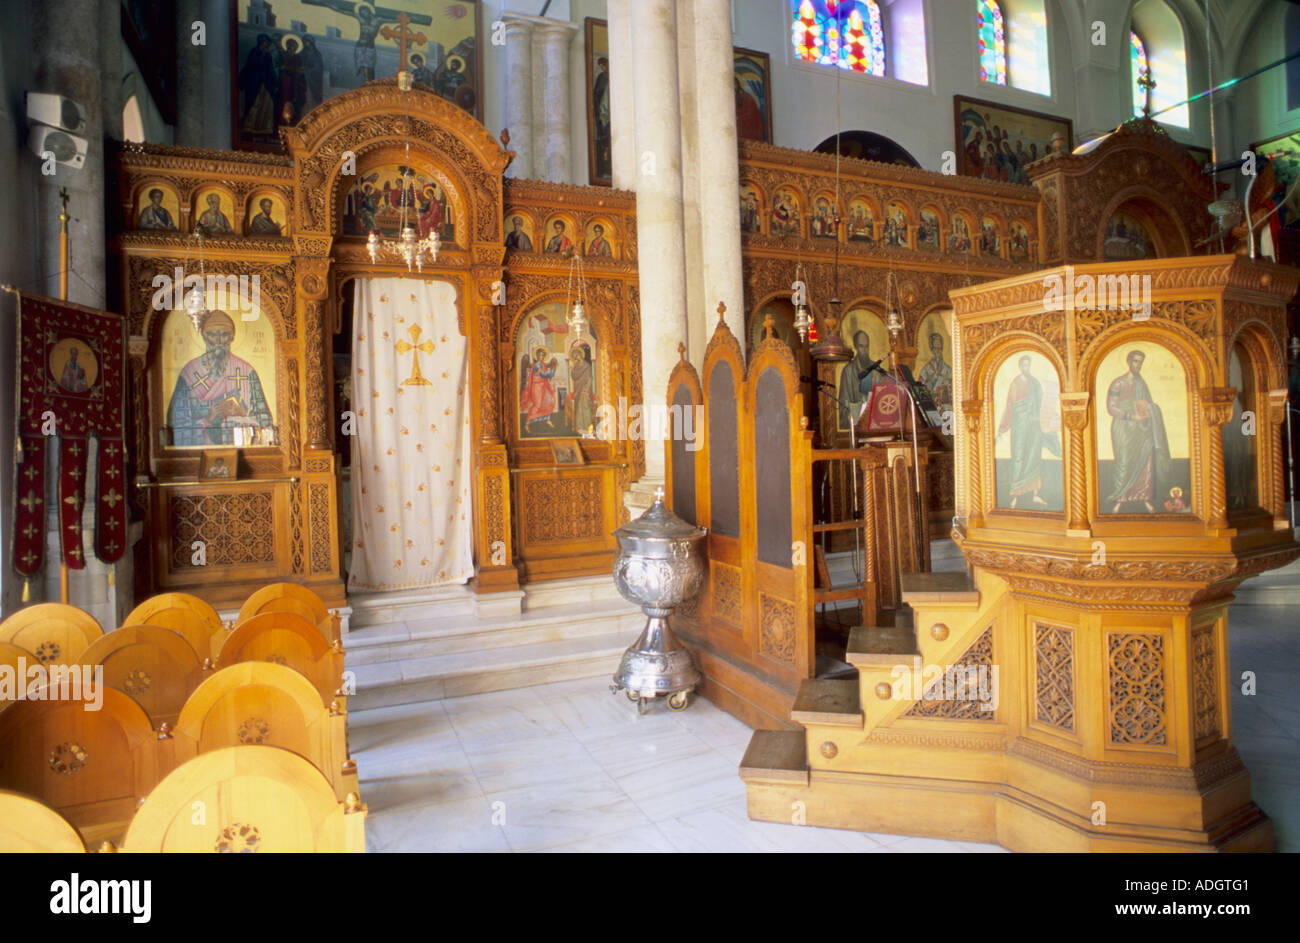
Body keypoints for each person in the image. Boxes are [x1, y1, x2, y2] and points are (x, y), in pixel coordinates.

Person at [167, 310, 273, 446]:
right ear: (204, 337)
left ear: (232, 337)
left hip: (240, 447)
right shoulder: (190, 373)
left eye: (224, 335)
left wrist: (242, 418)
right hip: (198, 454)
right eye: (212, 335)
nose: (218, 341)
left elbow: (265, 420)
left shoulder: (247, 371)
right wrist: (208, 419)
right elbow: (176, 425)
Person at [1104, 348, 1170, 513]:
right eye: (1135, 361)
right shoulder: (1118, 383)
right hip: (1124, 428)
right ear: (1128, 362)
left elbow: (1147, 403)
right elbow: (1111, 407)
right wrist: (1131, 416)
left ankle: (1144, 498)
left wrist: (1150, 410)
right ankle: (1121, 498)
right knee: (1124, 463)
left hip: (1142, 429)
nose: (1138, 365)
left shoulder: (1142, 383)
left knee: (1145, 462)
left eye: (1140, 362)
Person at [996, 355, 1059, 507]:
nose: (1026, 368)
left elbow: (1042, 405)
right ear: (1020, 367)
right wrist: (1002, 429)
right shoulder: (1015, 384)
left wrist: (1052, 417)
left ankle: (1035, 494)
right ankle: (1015, 495)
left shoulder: (1035, 383)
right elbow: (1010, 406)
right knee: (1018, 458)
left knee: (1033, 458)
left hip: (1034, 427)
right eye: (1024, 365)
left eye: (1028, 365)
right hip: (1019, 427)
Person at [839, 330, 880, 429]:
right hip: (857, 423)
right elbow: (843, 402)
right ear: (856, 347)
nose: (865, 350)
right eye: (861, 346)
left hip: (876, 421)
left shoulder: (877, 369)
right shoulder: (849, 371)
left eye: (867, 346)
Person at [519, 346, 558, 432]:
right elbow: (544, 375)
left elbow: (546, 375)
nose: (542, 357)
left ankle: (548, 419)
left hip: (543, 386)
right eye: (540, 355)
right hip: (537, 387)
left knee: (549, 400)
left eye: (543, 355)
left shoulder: (543, 364)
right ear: (537, 356)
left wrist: (552, 369)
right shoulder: (537, 366)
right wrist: (552, 371)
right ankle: (527, 423)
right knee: (538, 405)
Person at [917, 332, 953, 413]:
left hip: (947, 410)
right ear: (931, 349)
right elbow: (920, 391)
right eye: (935, 348)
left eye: (940, 348)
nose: (937, 351)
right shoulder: (925, 370)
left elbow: (954, 392)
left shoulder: (948, 370)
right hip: (931, 410)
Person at [569, 343, 595, 433]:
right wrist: (572, 369)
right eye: (575, 356)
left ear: (581, 355)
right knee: (579, 408)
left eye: (578, 355)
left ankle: (588, 426)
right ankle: (580, 426)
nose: (577, 357)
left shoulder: (587, 365)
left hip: (585, 389)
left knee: (586, 407)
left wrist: (586, 389)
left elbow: (590, 378)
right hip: (578, 389)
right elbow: (574, 377)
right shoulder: (576, 366)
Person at [592, 57, 611, 178]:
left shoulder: (613, 75)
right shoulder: (601, 77)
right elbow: (596, 94)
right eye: (601, 66)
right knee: (602, 136)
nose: (603, 68)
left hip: (609, 110)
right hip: (601, 111)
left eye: (604, 65)